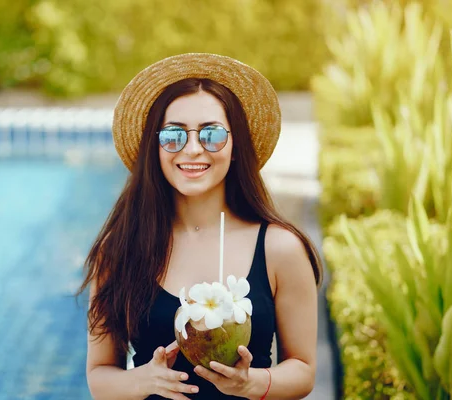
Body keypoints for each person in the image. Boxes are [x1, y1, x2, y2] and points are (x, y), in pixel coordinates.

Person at [78, 53, 322, 399]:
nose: (193, 149)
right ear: (156, 148)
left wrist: (252, 383)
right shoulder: (120, 251)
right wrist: (144, 379)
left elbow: (303, 369)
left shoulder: (279, 249)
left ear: (236, 146)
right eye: (174, 135)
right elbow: (99, 376)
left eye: (212, 134)